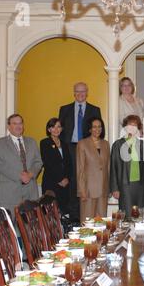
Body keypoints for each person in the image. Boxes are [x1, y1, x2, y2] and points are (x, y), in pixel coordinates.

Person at [59, 82, 102, 223]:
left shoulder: (95, 109)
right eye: (77, 91)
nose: (80, 94)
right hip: (70, 148)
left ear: (87, 92)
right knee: (73, 180)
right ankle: (74, 218)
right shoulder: (64, 109)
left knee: (85, 180)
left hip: (88, 148)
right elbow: (60, 131)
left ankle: (86, 216)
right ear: (74, 93)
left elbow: (98, 131)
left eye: (83, 91)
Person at [0, 114, 43, 221]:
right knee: (10, 226)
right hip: (10, 192)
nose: (18, 126)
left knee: (31, 224)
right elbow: (0, 166)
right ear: (9, 126)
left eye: (20, 123)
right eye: (15, 123)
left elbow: (38, 162)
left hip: (30, 191)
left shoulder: (32, 142)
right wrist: (20, 176)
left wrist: (30, 174)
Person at [110, 115, 144, 217]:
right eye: (130, 125)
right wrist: (114, 188)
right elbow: (113, 167)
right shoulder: (118, 144)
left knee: (140, 215)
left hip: (141, 185)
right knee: (127, 215)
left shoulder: (143, 144)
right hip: (124, 185)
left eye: (135, 126)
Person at [77, 117, 110, 220]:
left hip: (103, 190)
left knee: (101, 224)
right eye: (94, 127)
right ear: (90, 129)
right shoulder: (82, 143)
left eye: (100, 126)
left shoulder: (106, 144)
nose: (97, 129)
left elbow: (108, 167)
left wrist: (108, 188)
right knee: (88, 224)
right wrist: (81, 190)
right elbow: (80, 168)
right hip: (88, 191)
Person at [40, 118, 71, 216]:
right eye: (53, 127)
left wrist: (67, 178)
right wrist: (60, 179)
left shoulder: (65, 144)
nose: (56, 129)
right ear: (49, 129)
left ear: (61, 129)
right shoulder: (44, 143)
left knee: (63, 212)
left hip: (65, 184)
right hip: (51, 182)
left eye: (58, 126)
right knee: (50, 213)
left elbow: (69, 163)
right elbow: (48, 163)